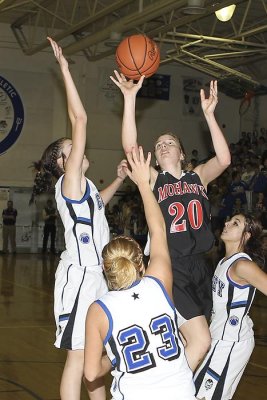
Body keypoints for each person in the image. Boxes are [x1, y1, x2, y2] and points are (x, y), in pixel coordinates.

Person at [110, 70, 231, 371]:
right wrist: (129, 98)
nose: (163, 146)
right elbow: (129, 146)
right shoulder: (154, 179)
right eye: (159, 144)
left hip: (200, 266)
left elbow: (225, 159)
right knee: (201, 341)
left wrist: (210, 115)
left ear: (181, 154)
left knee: (192, 341)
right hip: (170, 265)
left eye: (169, 143)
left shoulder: (198, 176)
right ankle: (169, 389)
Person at [30, 38, 127, 400]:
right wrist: (66, 71)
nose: (78, 145)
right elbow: (81, 117)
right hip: (79, 278)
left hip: (99, 277)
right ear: (61, 162)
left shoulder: (83, 188)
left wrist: (118, 179)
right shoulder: (68, 181)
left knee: (96, 355)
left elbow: (97, 206)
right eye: (70, 147)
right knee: (77, 357)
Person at [84, 146, 196, 400]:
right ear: (141, 264)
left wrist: (116, 357)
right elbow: (158, 231)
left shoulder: (98, 310)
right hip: (182, 392)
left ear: (105, 270)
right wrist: (144, 185)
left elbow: (91, 374)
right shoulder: (158, 283)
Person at [194, 213, 266, 400]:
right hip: (218, 337)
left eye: (236, 223)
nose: (227, 223)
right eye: (229, 220)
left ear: (246, 235)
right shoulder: (224, 261)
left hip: (231, 342)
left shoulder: (242, 265)